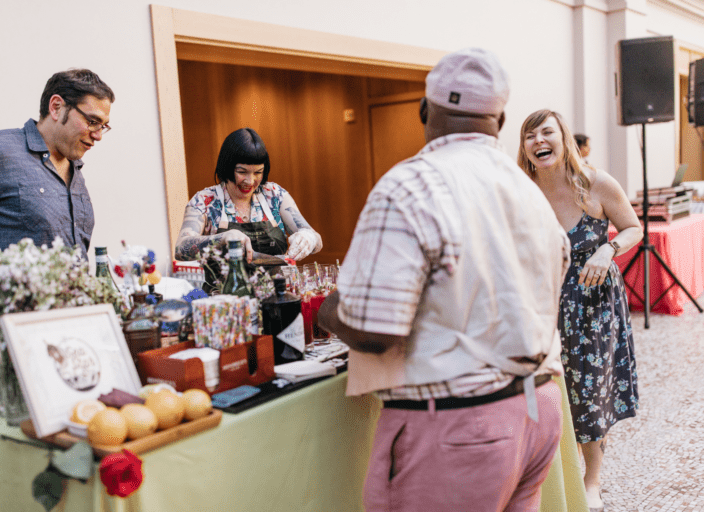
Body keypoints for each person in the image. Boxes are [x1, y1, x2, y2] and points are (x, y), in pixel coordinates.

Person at [319, 48, 570, 511]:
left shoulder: (409, 186)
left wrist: (329, 309)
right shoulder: (527, 191)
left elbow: (376, 331)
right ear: (500, 120)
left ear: (424, 110)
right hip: (538, 410)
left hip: (461, 428)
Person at [0, 68, 115, 399]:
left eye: (104, 125)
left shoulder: (75, 172)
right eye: (91, 121)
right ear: (57, 106)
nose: (98, 134)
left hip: (56, 352)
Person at [519, 109, 641, 512]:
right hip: (544, 304)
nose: (539, 141)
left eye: (547, 132)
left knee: (590, 392)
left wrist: (608, 249)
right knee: (552, 392)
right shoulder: (523, 191)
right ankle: (555, 474)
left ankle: (591, 480)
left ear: (563, 137)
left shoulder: (596, 183)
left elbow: (633, 228)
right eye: (530, 135)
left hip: (594, 307)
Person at [174, 127, 322, 268]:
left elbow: (317, 242)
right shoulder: (205, 201)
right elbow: (181, 248)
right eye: (242, 172)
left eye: (258, 172)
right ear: (227, 167)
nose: (250, 181)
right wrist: (222, 238)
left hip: (278, 289)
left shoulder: (274, 195)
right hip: (224, 292)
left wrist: (309, 238)